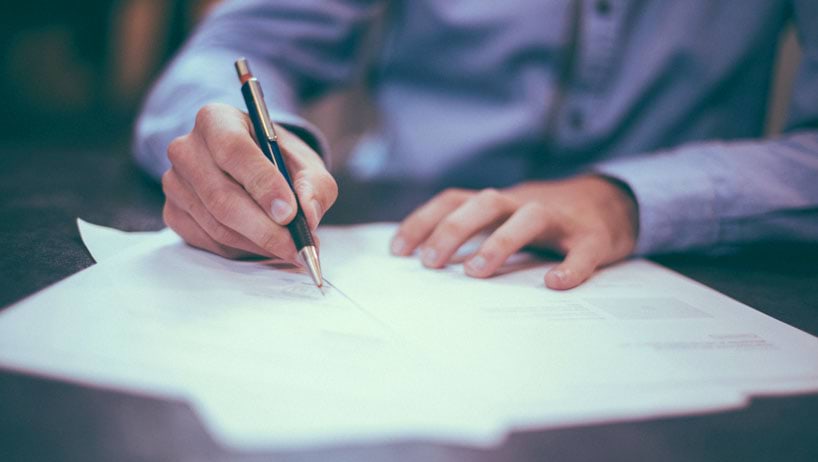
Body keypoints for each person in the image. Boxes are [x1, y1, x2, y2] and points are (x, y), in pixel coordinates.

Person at [134, 0, 818, 290]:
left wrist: (629, 200)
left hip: (691, 265)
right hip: (403, 241)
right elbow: (230, 52)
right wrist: (242, 148)